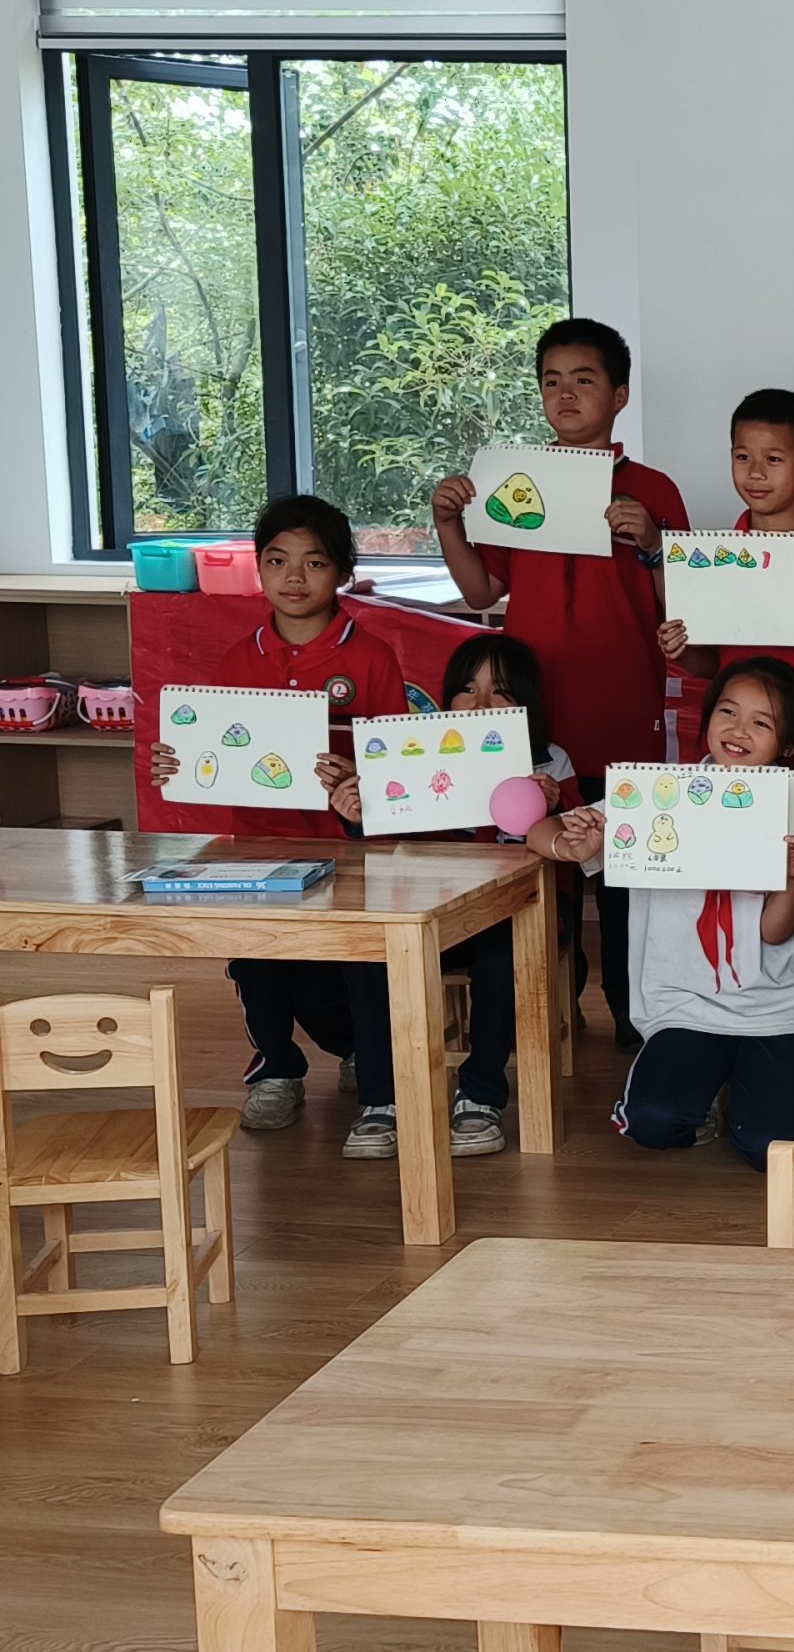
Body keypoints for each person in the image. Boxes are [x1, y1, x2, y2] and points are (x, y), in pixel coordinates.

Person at [430, 318, 689, 1052]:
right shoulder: (518, 483)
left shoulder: (653, 490)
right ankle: (546, 1015)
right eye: (551, 381)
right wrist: (448, 523)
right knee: (541, 874)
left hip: (620, 713)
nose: (565, 394)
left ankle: (633, 1018)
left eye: (584, 379)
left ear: (620, 395)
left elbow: (687, 608)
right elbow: (482, 589)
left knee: (623, 872)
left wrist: (655, 545)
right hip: (529, 725)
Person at [148, 494, 410, 1152]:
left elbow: (399, 765)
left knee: (358, 967)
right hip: (258, 847)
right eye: (277, 561)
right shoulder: (241, 657)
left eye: (314, 562)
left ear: (342, 572)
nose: (294, 577)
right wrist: (179, 763)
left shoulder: (372, 657)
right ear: (259, 569)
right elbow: (214, 752)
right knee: (257, 959)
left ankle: (370, 1070)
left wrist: (356, 774)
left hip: (349, 852)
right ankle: (277, 1070)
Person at [553, 657, 794, 1166]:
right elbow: (541, 832)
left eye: (761, 722)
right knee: (652, 1122)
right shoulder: (659, 796)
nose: (738, 730)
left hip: (777, 1007)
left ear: (789, 745)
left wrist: (793, 879)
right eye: (727, 711)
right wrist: (569, 843)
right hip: (685, 1004)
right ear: (706, 719)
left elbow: (774, 934)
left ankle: (736, 1085)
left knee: (772, 1151)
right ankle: (705, 1093)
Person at [325, 634, 584, 1158]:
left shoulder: (549, 762)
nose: (481, 703)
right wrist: (355, 815)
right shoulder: (417, 753)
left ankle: (480, 1096)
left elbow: (577, 850)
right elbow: (385, 836)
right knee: (370, 956)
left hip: (515, 916)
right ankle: (381, 1100)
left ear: (527, 701)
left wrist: (554, 808)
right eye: (467, 689)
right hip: (433, 914)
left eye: (500, 690)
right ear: (446, 698)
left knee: (503, 958)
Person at [656, 387, 794, 754]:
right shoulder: (713, 559)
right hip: (739, 751)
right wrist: (681, 651)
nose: (756, 473)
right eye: (743, 457)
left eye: (773, 459)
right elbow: (713, 665)